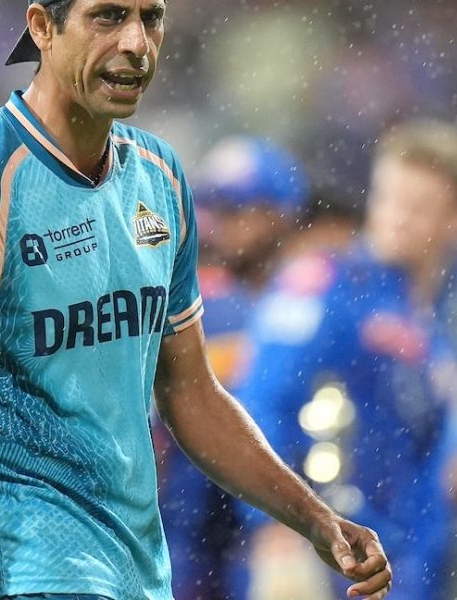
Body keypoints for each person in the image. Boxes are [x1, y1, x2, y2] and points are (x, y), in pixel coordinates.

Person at [0, 0, 391, 600]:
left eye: (152, 17)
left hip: (137, 573)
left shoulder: (160, 177)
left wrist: (314, 519)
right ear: (43, 27)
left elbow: (190, 394)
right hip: (22, 574)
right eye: (108, 16)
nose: (136, 43)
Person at [236, 121, 457, 600]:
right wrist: (273, 526)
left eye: (417, 206)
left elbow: (444, 471)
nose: (397, 217)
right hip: (327, 559)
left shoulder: (438, 339)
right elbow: (260, 404)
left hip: (409, 572)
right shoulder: (323, 286)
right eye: (388, 198)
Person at [156, 135, 309, 600]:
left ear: (280, 215)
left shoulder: (313, 304)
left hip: (278, 527)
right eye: (214, 209)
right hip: (195, 537)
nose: (220, 225)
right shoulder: (207, 304)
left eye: (237, 210)